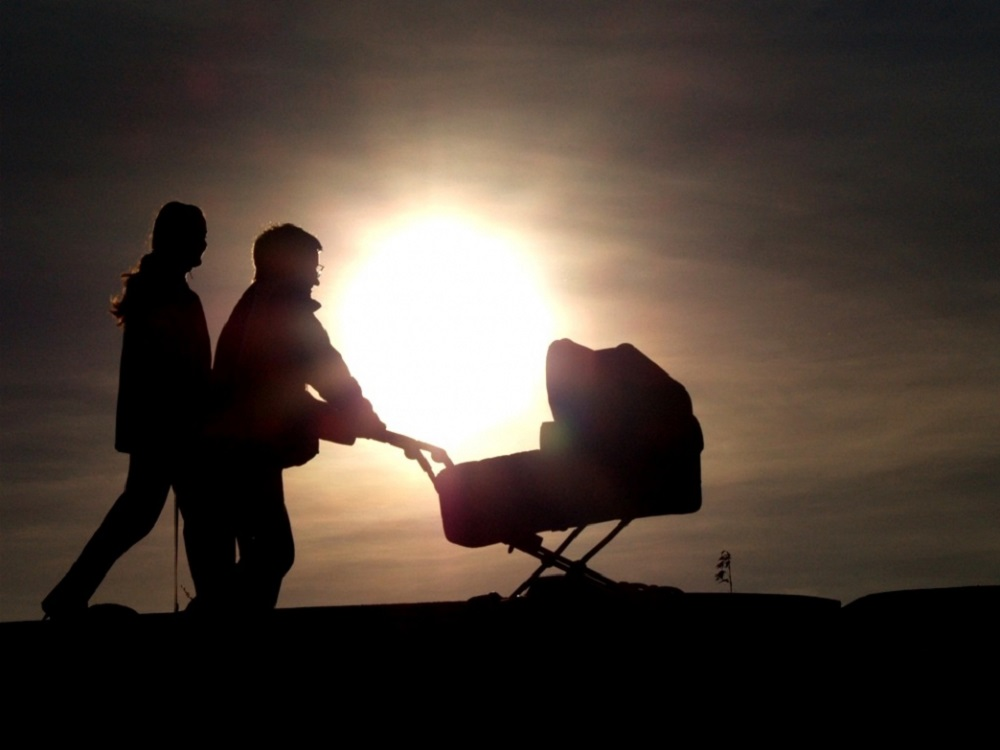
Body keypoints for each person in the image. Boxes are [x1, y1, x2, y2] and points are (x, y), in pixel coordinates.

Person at [204, 223, 386, 612]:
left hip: (239, 447)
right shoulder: (282, 309)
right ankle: (213, 618)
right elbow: (325, 368)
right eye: (311, 269)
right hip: (245, 449)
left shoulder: (257, 306)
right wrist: (362, 418)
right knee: (273, 553)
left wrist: (354, 421)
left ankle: (225, 617)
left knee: (265, 552)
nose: (315, 281)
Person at [42, 202, 211, 618]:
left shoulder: (158, 288)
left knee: (147, 512)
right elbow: (177, 367)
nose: (205, 242)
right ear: (181, 239)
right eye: (199, 234)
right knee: (190, 512)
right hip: (171, 426)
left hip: (158, 425)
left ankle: (67, 595)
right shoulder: (169, 293)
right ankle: (213, 599)